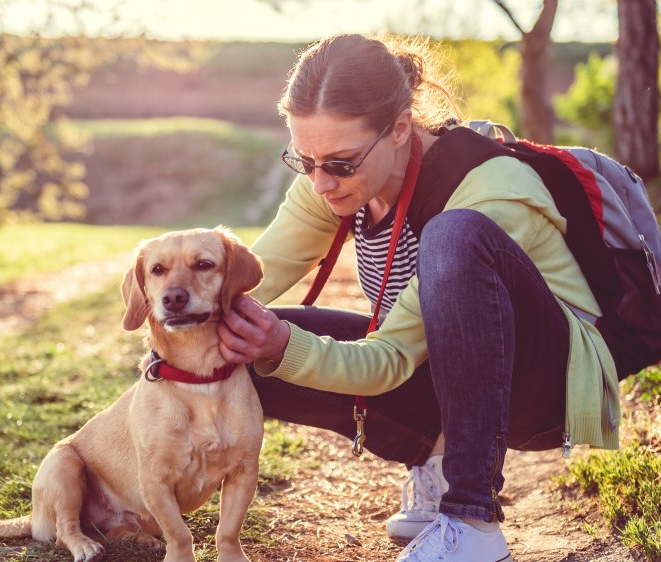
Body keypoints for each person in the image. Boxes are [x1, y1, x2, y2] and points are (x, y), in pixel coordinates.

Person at [216, 33, 621, 562]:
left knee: (454, 235)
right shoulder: (336, 177)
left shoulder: (490, 189)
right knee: (227, 335)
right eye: (304, 160)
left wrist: (282, 346)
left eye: (339, 163)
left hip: (548, 386)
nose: (320, 183)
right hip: (440, 369)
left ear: (401, 128)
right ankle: (437, 453)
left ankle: (472, 518)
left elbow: (386, 360)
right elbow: (242, 285)